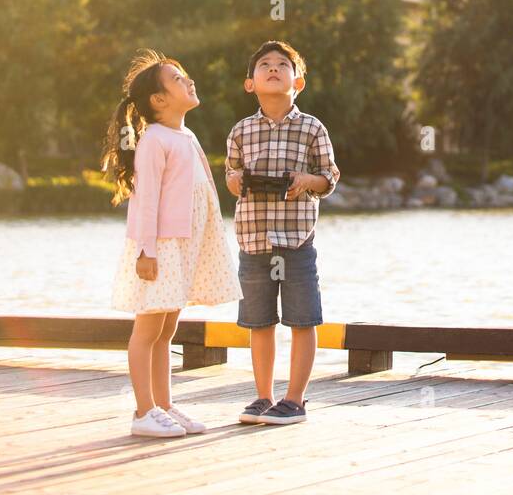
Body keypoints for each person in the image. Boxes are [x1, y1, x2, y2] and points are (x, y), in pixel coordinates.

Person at [103, 49, 242, 438]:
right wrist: (147, 251)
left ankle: (164, 405)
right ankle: (143, 411)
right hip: (160, 247)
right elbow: (145, 200)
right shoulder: (155, 140)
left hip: (183, 245)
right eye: (178, 78)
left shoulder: (187, 135)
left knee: (166, 331)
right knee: (147, 330)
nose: (189, 80)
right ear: (159, 100)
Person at [225, 40, 340, 425]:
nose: (273, 68)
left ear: (298, 82)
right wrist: (238, 180)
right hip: (254, 239)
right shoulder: (242, 130)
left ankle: (295, 399)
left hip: (296, 240)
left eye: (282, 64)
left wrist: (306, 180)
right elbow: (230, 175)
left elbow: (329, 178)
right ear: (250, 83)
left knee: (303, 319)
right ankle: (262, 396)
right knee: (258, 322)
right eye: (264, 64)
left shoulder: (312, 127)